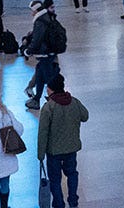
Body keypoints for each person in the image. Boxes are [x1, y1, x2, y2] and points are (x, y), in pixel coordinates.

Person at [37, 74, 89, 208]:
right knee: (72, 174)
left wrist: (40, 153)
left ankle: (59, 204)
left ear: (51, 89)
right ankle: (73, 200)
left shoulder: (49, 107)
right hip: (71, 148)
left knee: (55, 180)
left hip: (53, 151)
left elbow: (43, 132)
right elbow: (85, 116)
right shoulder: (74, 101)